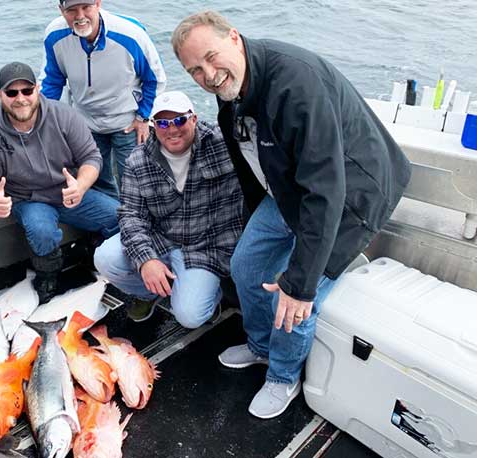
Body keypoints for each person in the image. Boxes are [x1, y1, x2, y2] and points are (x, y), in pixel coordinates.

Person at [172, 11, 411, 418]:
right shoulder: (232, 86)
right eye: (195, 69)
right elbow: (250, 167)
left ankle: (283, 376)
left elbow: (326, 191)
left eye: (212, 57)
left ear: (234, 37)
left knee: (296, 298)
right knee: (246, 265)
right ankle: (262, 347)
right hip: (288, 187)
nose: (209, 75)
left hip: (350, 194)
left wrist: (299, 282)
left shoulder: (296, 85)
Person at [0, 62, 119, 304]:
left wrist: (80, 185)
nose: (20, 99)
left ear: (37, 89)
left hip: (68, 192)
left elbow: (91, 157)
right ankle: (48, 275)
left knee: (118, 215)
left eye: (27, 91)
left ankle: (100, 257)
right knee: (42, 230)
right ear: (0, 95)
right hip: (28, 199)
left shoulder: (65, 116)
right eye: (12, 93)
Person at [94, 91, 245, 328]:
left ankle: (205, 296)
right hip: (161, 237)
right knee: (105, 258)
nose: (172, 129)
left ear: (194, 118)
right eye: (163, 123)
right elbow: (130, 215)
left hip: (206, 247)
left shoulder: (222, 141)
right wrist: (146, 261)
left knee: (190, 317)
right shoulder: (138, 160)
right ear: (154, 126)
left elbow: (258, 135)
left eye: (179, 120)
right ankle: (149, 294)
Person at [41, 0, 167, 199]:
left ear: (98, 3)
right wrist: (44, 121)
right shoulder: (54, 35)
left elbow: (155, 79)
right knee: (98, 183)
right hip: (86, 123)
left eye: (86, 7)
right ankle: (112, 225)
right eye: (72, 10)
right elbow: (53, 81)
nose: (80, 16)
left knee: (134, 184)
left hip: (128, 122)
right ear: (61, 11)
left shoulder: (130, 34)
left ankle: (137, 226)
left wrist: (144, 118)